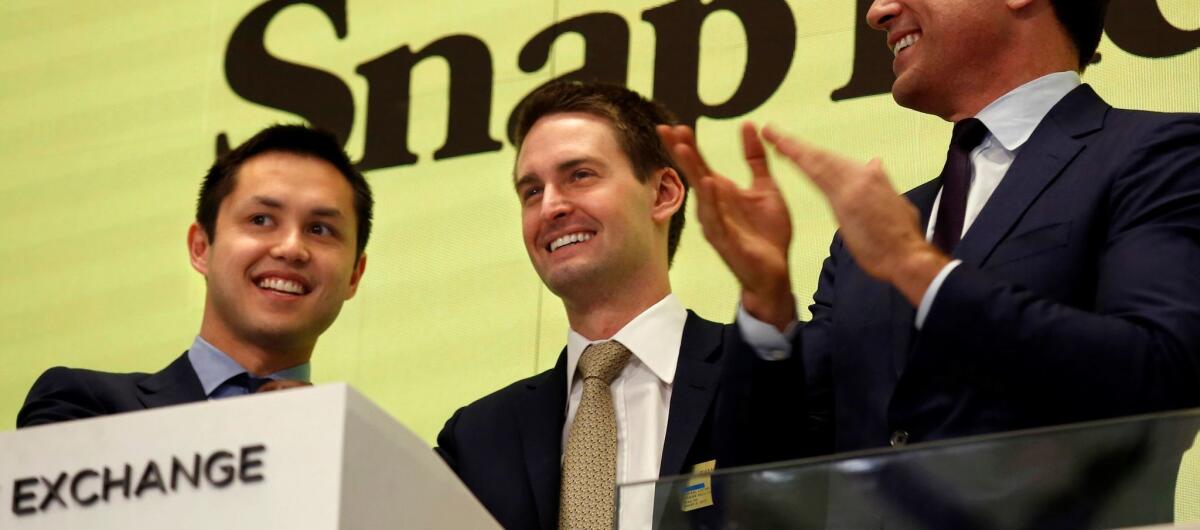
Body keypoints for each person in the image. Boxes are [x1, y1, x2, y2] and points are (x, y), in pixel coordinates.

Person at [662, 0, 1200, 456]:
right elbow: (766, 465)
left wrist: (919, 269)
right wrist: (766, 303)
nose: (877, 10)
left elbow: (1163, 374)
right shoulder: (869, 239)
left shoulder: (1157, 156)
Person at [436, 81, 802, 530]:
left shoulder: (764, 370)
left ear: (664, 193)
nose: (550, 206)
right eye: (531, 191)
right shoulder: (479, 438)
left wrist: (767, 295)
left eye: (579, 175)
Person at [18, 125, 371, 427]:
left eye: (320, 229)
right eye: (261, 220)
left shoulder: (367, 460)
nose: (291, 248)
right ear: (201, 247)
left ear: (355, 275)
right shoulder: (86, 408)